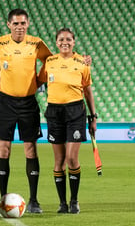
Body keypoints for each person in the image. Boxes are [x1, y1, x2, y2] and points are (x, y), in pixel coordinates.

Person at [0, 8, 92, 214]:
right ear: (8, 25)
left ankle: (34, 201)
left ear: (28, 24)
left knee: (30, 149)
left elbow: (57, 61)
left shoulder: (37, 44)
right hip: (5, 102)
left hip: (28, 103)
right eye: (15, 24)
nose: (19, 27)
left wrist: (82, 60)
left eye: (23, 23)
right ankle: (2, 199)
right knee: (3, 149)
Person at [37, 28, 97, 214]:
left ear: (74, 42)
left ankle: (74, 201)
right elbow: (38, 82)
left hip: (76, 111)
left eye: (69, 39)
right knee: (59, 161)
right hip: (54, 112)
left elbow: (87, 91)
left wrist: (93, 117)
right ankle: (62, 203)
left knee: (72, 158)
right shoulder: (49, 62)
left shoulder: (82, 62)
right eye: (61, 39)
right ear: (56, 43)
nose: (65, 42)